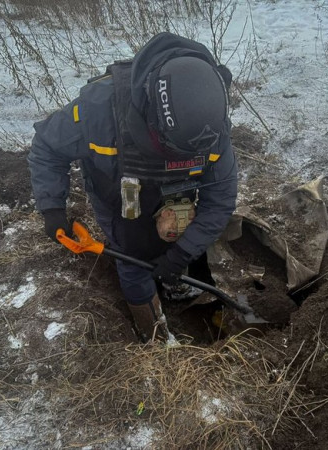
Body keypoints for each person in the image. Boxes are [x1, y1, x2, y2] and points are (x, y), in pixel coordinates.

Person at [28, 32, 238, 342]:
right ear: (154, 116)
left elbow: (219, 201)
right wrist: (52, 208)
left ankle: (175, 284)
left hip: (175, 196)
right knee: (132, 258)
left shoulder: (211, 128)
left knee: (178, 235)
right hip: (119, 195)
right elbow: (47, 145)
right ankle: (152, 332)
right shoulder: (99, 109)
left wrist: (180, 255)